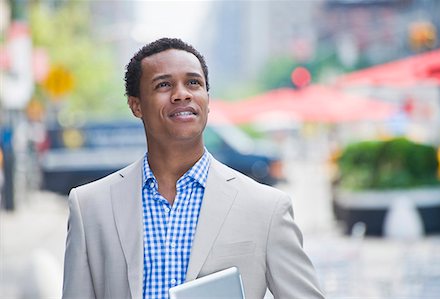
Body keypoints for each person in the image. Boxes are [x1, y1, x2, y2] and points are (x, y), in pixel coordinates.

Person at [62, 38, 325, 299]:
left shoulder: (266, 208)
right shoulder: (90, 207)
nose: (182, 94)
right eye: (164, 84)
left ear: (207, 100)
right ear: (136, 105)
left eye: (193, 83)